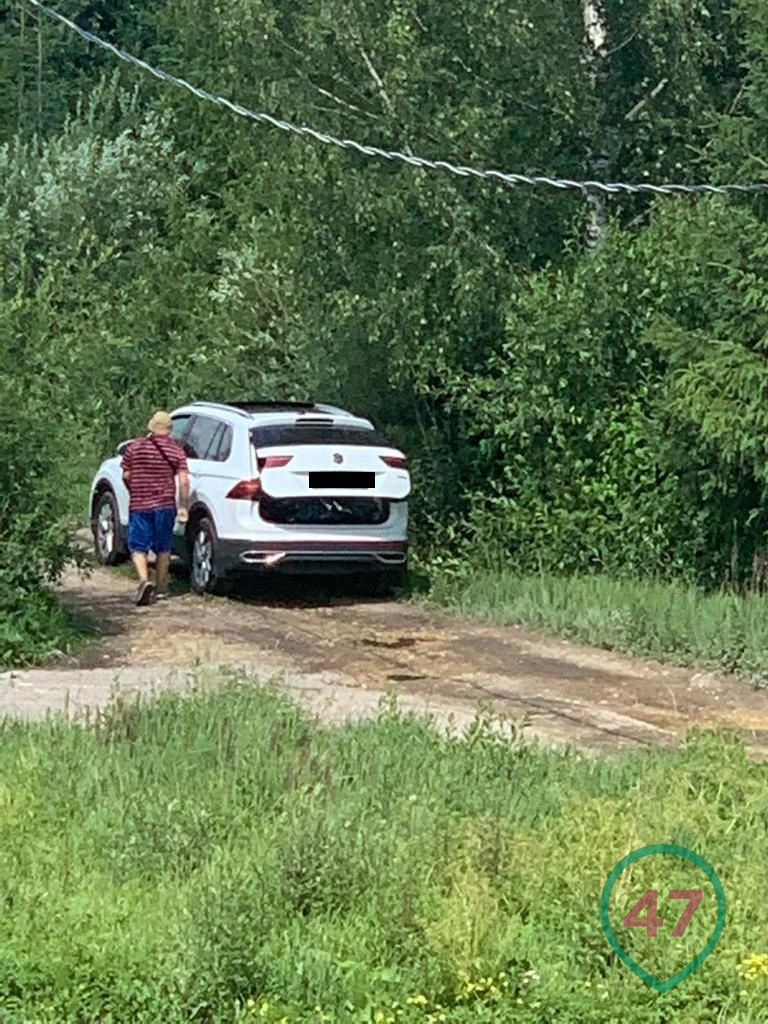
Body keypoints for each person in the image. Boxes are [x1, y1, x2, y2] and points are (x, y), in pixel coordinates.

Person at [122, 411, 190, 606]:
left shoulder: (134, 448)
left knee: (138, 547)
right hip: (165, 505)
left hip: (139, 504)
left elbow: (126, 475)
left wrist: (134, 490)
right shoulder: (176, 451)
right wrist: (183, 506)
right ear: (169, 430)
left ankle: (144, 581)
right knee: (163, 546)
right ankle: (161, 588)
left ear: (151, 427)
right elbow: (184, 481)